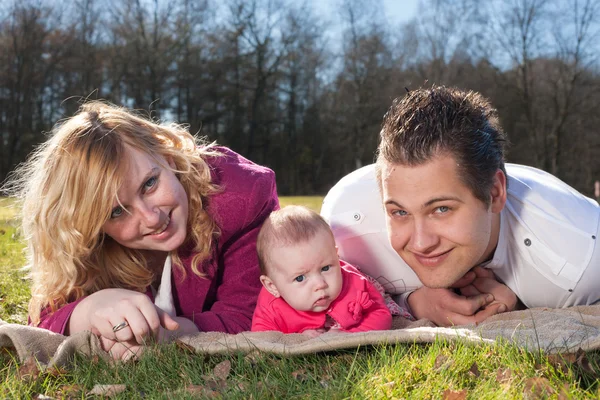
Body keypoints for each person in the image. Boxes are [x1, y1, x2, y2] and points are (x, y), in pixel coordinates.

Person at [4, 101, 279, 360]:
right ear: (92, 226)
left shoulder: (241, 197)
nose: (151, 218)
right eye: (116, 212)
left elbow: (247, 317)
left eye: (149, 184)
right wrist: (86, 312)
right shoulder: (87, 244)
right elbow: (42, 319)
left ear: (167, 158)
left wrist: (166, 333)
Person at [321, 86, 600, 327]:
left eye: (441, 209)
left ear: (495, 192)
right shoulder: (346, 228)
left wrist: (523, 308)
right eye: (400, 212)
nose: (420, 243)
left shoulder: (581, 262)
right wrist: (411, 302)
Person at [251, 205, 392, 336]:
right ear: (272, 286)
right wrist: (299, 337)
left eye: (325, 268)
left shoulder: (356, 284)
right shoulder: (270, 308)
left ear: (336, 257)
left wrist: (348, 335)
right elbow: (262, 339)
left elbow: (381, 315)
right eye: (300, 278)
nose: (320, 284)